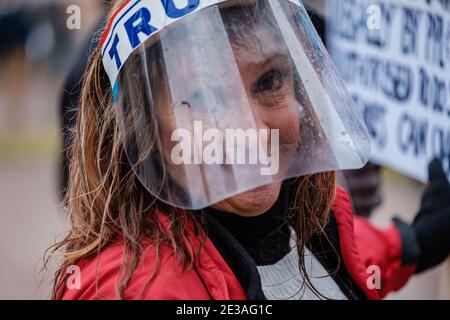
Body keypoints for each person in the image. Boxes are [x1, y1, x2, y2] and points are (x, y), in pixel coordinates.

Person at [49, 0, 450, 300]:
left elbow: (342, 254)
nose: (252, 133)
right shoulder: (130, 287)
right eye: (202, 98)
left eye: (270, 80)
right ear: (144, 129)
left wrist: (418, 239)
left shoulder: (312, 225)